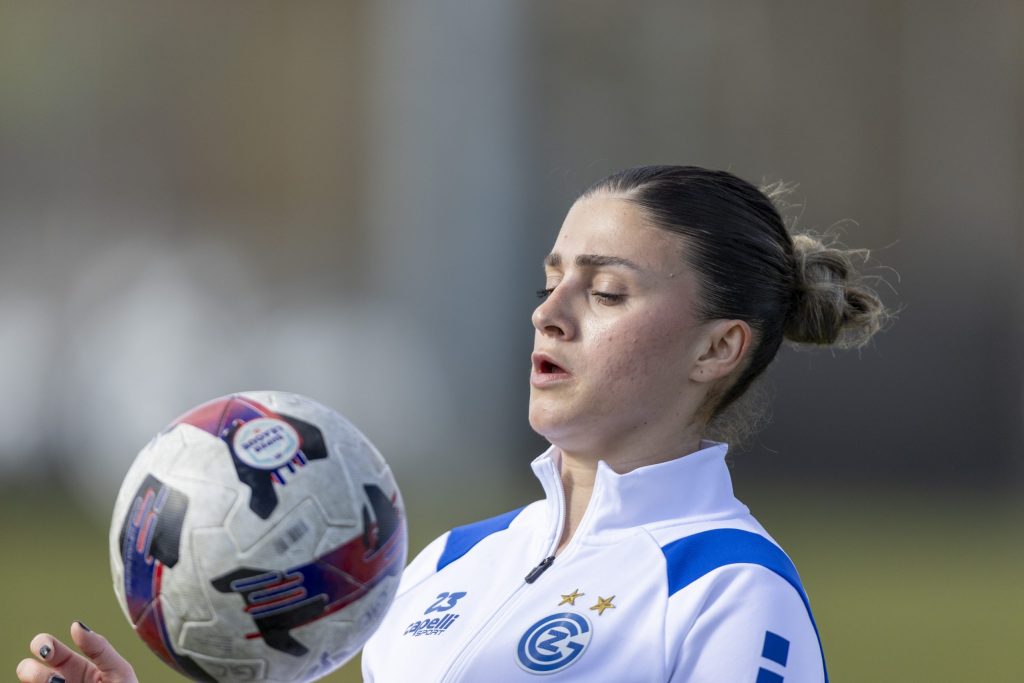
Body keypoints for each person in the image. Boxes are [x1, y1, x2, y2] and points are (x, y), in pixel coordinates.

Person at [16, 165, 886, 683]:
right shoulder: (445, 562)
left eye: (606, 290)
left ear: (718, 347)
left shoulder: (728, 590)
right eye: (550, 280)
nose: (549, 313)